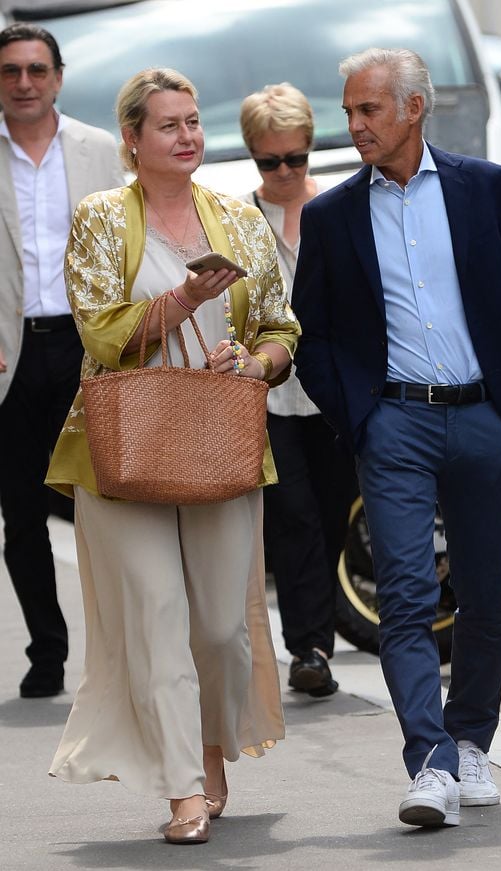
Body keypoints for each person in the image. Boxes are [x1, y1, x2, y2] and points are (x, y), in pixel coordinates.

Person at [291, 48, 501, 828]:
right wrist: (361, 418)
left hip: (484, 419)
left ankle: (471, 741)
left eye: (368, 109)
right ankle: (431, 762)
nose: (355, 125)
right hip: (394, 422)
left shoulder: (488, 189)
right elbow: (317, 333)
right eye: (349, 111)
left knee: (486, 591)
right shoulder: (331, 213)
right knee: (404, 595)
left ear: (414, 109)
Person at [45, 67, 299, 845]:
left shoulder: (237, 216)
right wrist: (185, 300)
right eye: (169, 125)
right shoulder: (99, 216)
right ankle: (184, 787)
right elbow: (98, 332)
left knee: (223, 626)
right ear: (132, 139)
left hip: (220, 438)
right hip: (127, 447)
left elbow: (280, 327)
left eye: (193, 121)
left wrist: (255, 364)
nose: (188, 135)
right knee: (156, 614)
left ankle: (213, 744)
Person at [0, 23, 125, 699]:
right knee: (21, 512)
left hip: (87, 347)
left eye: (36, 70)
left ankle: (119, 650)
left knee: (104, 505)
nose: (24, 83)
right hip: (9, 355)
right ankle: (47, 650)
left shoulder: (97, 149)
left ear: (58, 76)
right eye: (11, 71)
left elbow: (125, 246)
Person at [239, 83, 356, 698]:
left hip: (333, 391)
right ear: (253, 155)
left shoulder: (336, 208)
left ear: (310, 149)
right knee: (295, 515)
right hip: (268, 393)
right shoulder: (237, 219)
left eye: (295, 158)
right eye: (269, 160)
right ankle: (308, 648)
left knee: (334, 512)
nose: (284, 171)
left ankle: (320, 622)